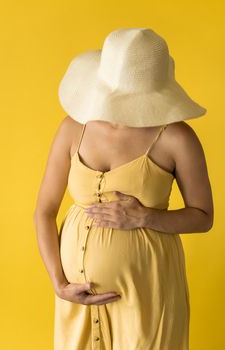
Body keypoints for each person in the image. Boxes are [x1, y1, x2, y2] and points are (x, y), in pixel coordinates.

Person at [33, 28, 214, 350]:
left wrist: (145, 217)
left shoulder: (176, 138)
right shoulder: (73, 126)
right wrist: (59, 284)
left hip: (148, 291)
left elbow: (202, 217)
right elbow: (44, 211)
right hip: (77, 297)